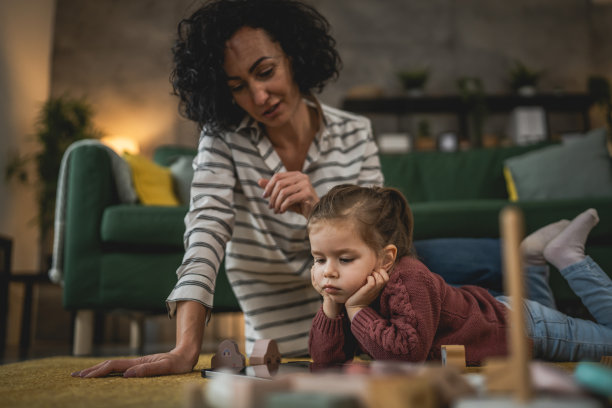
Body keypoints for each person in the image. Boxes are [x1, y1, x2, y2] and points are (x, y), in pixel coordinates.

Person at [72, 0, 382, 378]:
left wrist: (320, 216)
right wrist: (186, 348)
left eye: (265, 72)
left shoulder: (355, 133)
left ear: (293, 55)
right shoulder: (223, 139)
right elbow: (205, 232)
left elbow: (381, 249)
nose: (259, 97)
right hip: (272, 355)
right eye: (238, 87)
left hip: (362, 340)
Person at [308, 184, 612, 365]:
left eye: (344, 259)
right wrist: (331, 307)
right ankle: (530, 258)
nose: (328, 272)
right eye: (318, 260)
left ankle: (569, 257)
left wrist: (358, 311)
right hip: (507, 318)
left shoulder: (410, 278)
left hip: (521, 328)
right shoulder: (349, 291)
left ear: (386, 258)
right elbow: (326, 360)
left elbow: (406, 354)